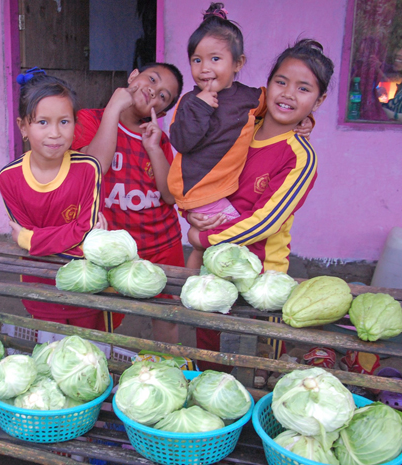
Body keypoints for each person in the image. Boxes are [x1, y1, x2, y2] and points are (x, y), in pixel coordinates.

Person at [188, 39, 334, 374]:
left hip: (261, 278)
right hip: (216, 266)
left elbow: (265, 221)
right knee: (209, 358)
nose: (288, 94)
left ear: (319, 99)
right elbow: (198, 173)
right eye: (281, 82)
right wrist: (192, 211)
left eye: (303, 88)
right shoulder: (239, 129)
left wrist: (204, 239)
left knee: (255, 366)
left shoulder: (300, 156)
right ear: (266, 85)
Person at [168, 3, 313, 270]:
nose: (204, 68)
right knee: (223, 247)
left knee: (206, 247)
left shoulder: (249, 98)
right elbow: (182, 142)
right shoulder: (190, 102)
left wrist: (306, 119)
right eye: (196, 60)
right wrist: (201, 106)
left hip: (217, 190)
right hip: (198, 188)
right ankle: (189, 291)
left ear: (238, 63)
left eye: (215, 59)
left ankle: (192, 285)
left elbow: (276, 104)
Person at [72, 62, 185, 344]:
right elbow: (94, 167)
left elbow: (170, 196)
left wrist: (153, 148)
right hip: (111, 247)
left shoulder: (159, 140)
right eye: (152, 80)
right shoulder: (90, 119)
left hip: (161, 243)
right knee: (102, 317)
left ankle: (165, 366)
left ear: (160, 112)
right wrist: (113, 109)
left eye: (163, 97)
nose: (153, 92)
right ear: (133, 75)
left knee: (167, 318)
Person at [0, 70, 114, 332]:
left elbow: (82, 235)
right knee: (51, 354)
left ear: (75, 124)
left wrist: (32, 240)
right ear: (23, 127)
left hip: (87, 286)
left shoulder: (88, 169)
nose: (55, 133)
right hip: (39, 285)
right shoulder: (9, 178)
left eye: (64, 122)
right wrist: (77, 236)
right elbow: (83, 233)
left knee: (90, 354)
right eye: (42, 123)